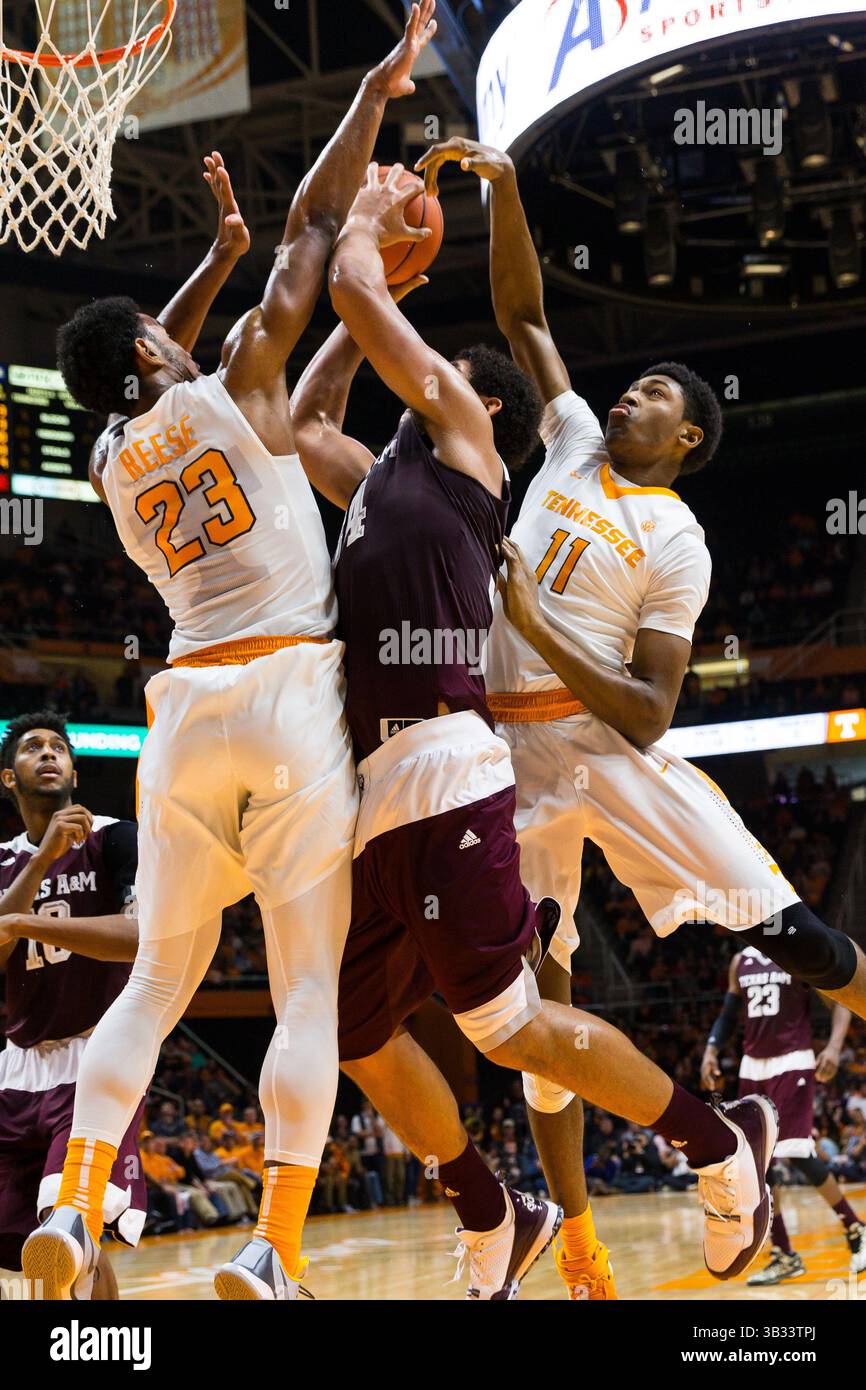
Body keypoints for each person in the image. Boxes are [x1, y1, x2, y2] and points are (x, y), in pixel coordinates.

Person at [290, 162, 780, 1300]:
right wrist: (366, 313)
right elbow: (305, 417)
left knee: (511, 1027)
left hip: (453, 768)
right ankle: (490, 1209)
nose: (422, 378)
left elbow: (362, 301)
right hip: (376, 787)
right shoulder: (373, 477)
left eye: (436, 371)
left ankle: (716, 1149)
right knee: (351, 1027)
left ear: (479, 400)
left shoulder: (467, 441)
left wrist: (361, 242)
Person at [392, 133, 866, 1298]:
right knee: (535, 1002)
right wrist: (502, 193)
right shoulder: (566, 438)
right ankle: (578, 1227)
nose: (627, 394)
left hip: (609, 748)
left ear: (686, 439)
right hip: (505, 756)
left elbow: (652, 710)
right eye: (632, 383)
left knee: (793, 935)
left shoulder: (674, 536)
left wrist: (536, 622)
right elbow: (520, 314)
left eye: (652, 394)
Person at [20, 2, 439, 1304]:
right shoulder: (237, 380)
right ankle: (271, 1243)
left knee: (153, 977)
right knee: (308, 979)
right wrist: (374, 87)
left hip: (181, 711)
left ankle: (76, 1210)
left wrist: (214, 257)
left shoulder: (101, 453)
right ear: (157, 347)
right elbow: (318, 226)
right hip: (283, 687)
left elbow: (146, 356)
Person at [0, 713, 143, 1300]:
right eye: (33, 748)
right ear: (10, 778)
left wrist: (16, 921)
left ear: (75, 774)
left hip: (96, 1058)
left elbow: (141, 938)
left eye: (59, 747)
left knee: (68, 1230)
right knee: (33, 1253)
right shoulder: (5, 860)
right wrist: (42, 859)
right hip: (16, 1065)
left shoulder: (115, 837)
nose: (48, 754)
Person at [702, 945, 866, 1283]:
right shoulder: (740, 961)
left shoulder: (798, 948)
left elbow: (839, 1000)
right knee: (757, 1165)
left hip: (792, 1061)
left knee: (798, 1153)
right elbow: (729, 1014)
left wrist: (834, 1046)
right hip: (753, 1067)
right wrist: (710, 1050)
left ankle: (856, 1230)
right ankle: (784, 1253)